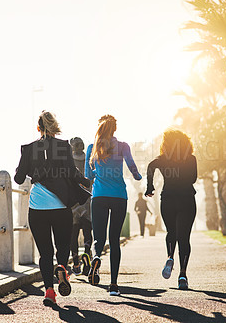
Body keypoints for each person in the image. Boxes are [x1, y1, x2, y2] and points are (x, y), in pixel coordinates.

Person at [14, 111, 91, 306]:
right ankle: (62, 268)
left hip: (37, 207)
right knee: (63, 246)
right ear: (54, 125)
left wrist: (23, 168)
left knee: (45, 253)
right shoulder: (63, 146)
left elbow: (19, 178)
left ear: (38, 128)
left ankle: (49, 291)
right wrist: (84, 181)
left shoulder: (30, 149)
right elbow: (72, 173)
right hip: (60, 206)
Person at [85, 114, 142, 296]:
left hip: (99, 196)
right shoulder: (123, 146)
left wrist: (98, 172)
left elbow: (88, 176)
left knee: (98, 238)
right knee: (114, 240)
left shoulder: (92, 148)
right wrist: (138, 177)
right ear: (115, 129)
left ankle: (95, 258)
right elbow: (132, 167)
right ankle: (114, 285)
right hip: (119, 196)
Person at [145, 129, 197, 290]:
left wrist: (150, 186)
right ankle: (182, 275)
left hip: (167, 199)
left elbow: (150, 166)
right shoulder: (191, 159)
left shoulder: (162, 159)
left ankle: (169, 257)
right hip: (187, 199)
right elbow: (193, 179)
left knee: (171, 233)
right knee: (184, 238)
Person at [69, 137, 93, 276]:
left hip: (73, 201)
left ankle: (76, 263)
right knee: (87, 231)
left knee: (73, 233)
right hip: (87, 200)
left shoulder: (68, 161)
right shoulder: (89, 161)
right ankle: (87, 255)